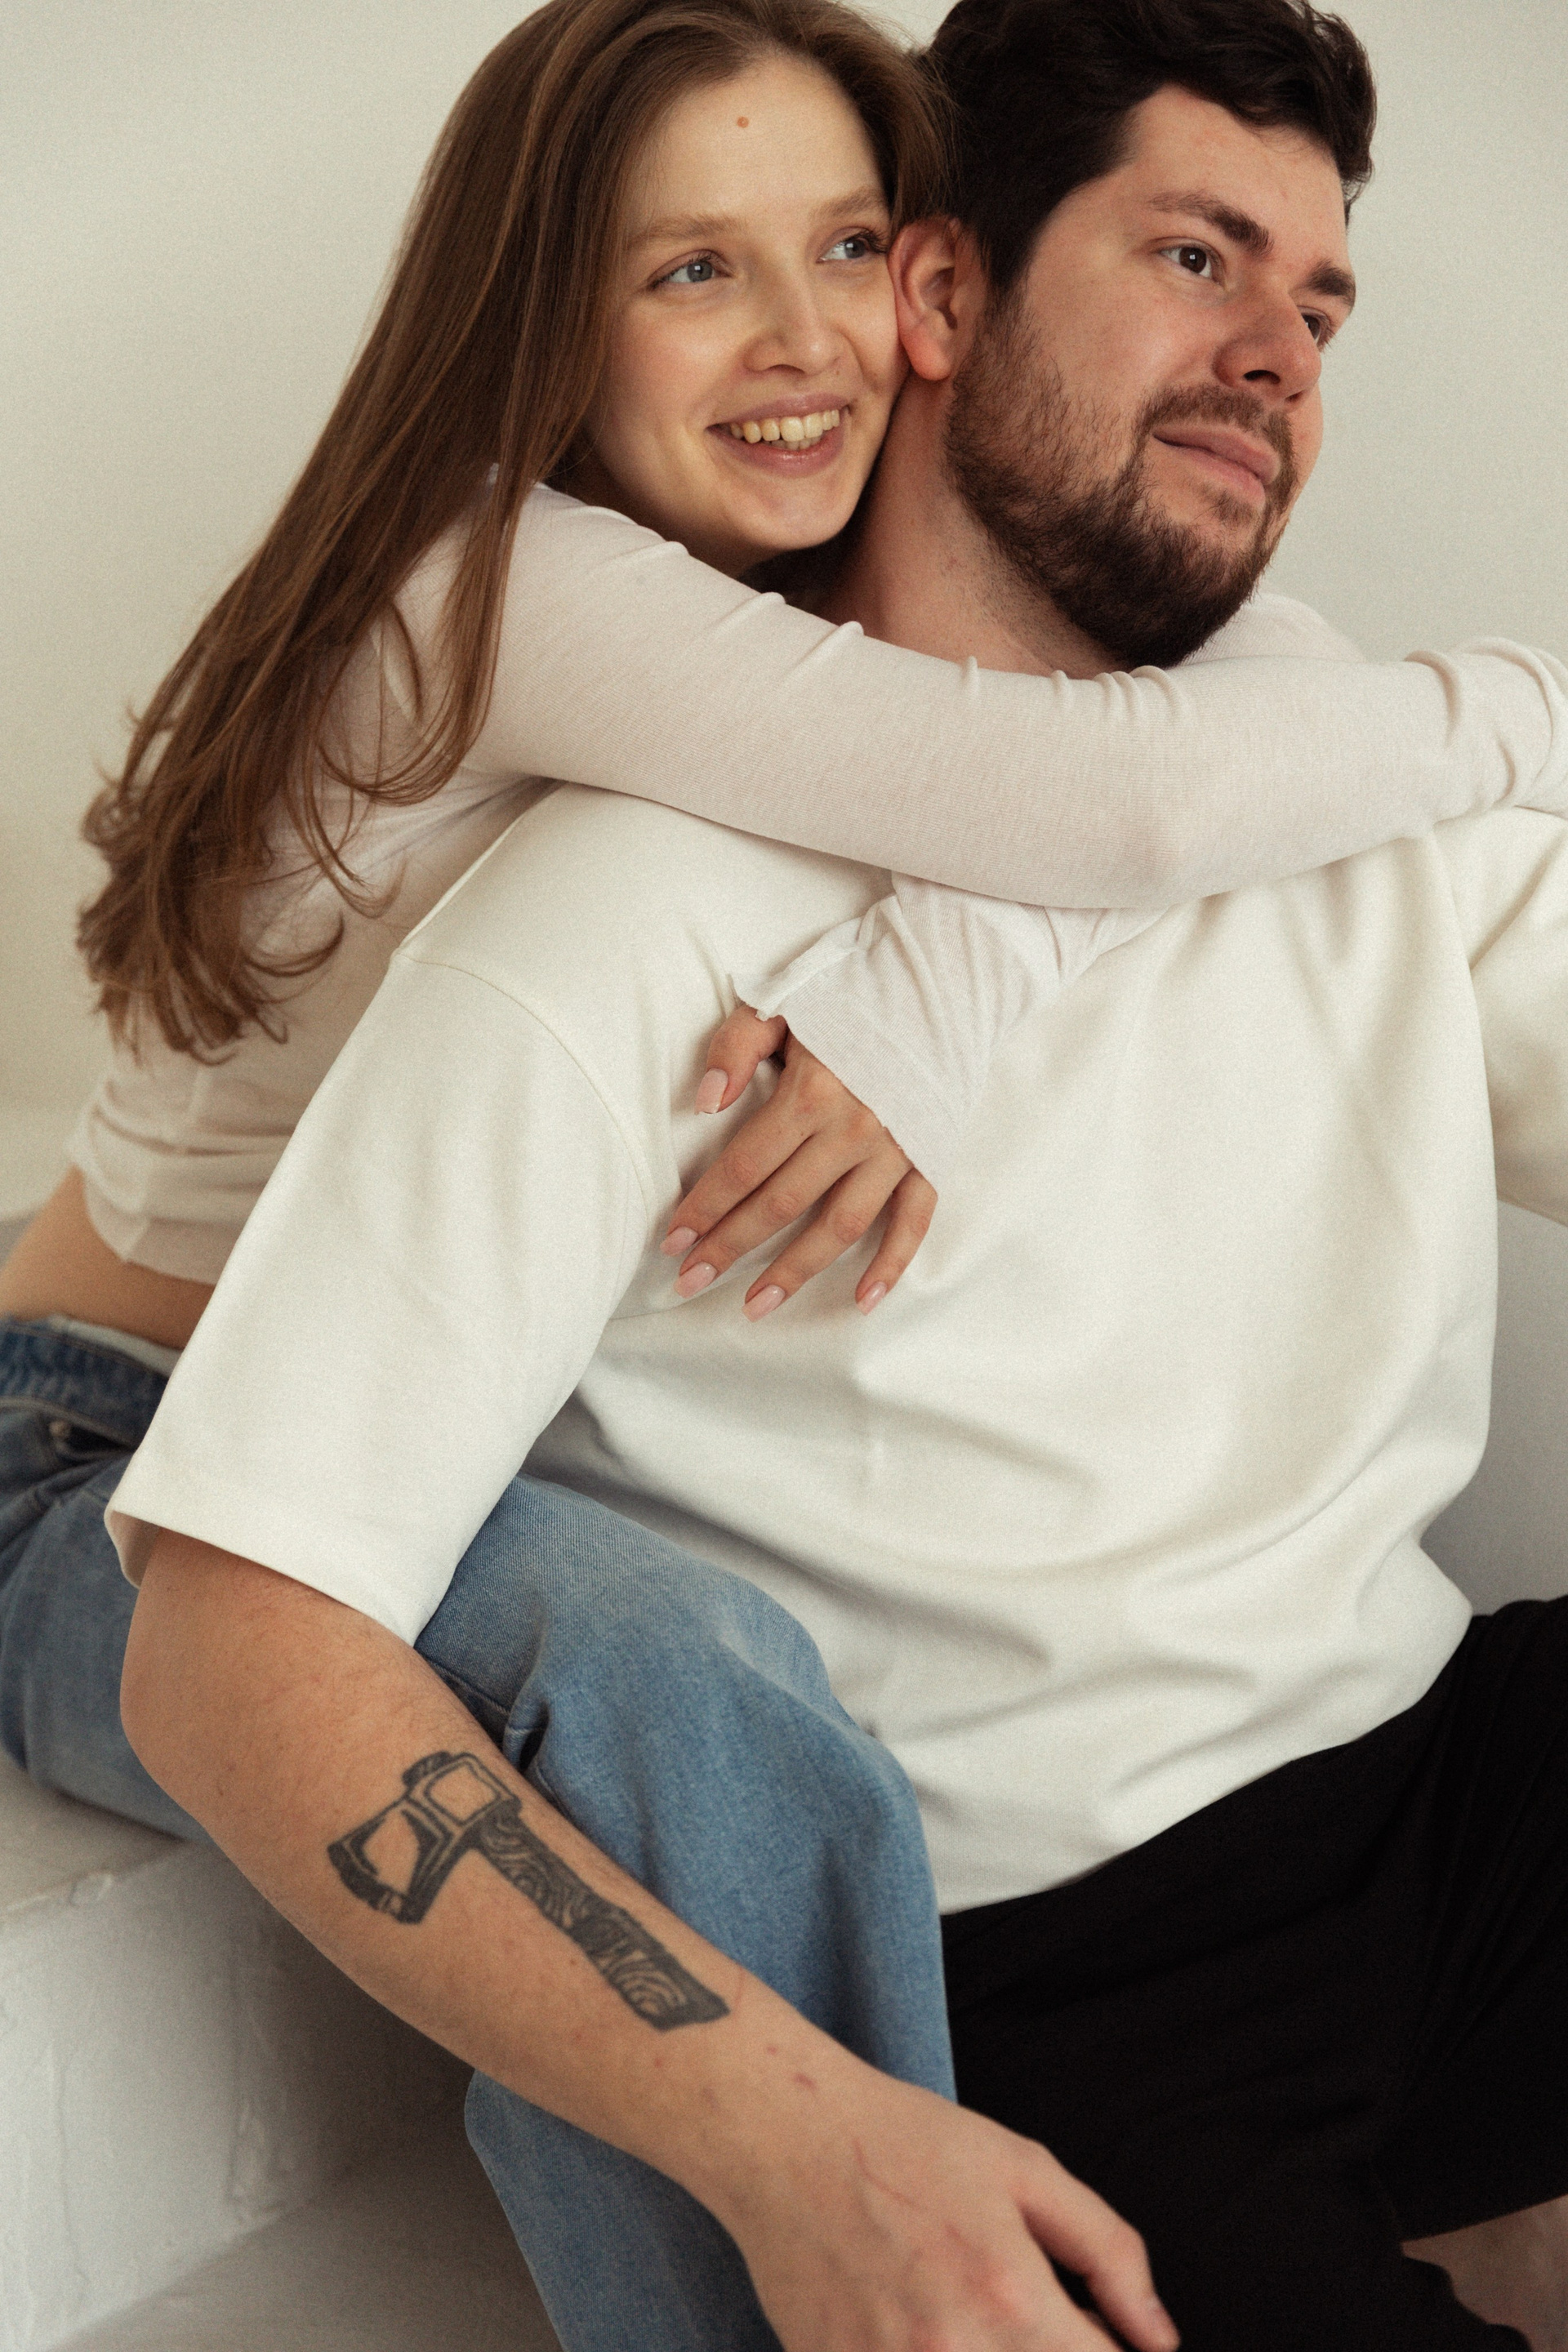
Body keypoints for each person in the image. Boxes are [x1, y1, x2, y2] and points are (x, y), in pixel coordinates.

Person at [3, 0, 1566, 2339]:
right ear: (963, 294)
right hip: (94, 1425)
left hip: (1425, 1797)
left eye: (1320, 306)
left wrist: (987, 949)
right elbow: (1102, 797)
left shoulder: (1225, 758)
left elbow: (1104, 775)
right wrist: (1525, 701)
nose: (1279, 354)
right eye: (1194, 258)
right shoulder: (534, 673)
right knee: (665, 1676)